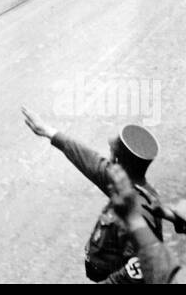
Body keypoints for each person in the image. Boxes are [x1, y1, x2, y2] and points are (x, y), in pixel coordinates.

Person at [21, 108, 162, 283]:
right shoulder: (126, 182)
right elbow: (90, 160)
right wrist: (49, 132)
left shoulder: (141, 212)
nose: (107, 160)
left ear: (118, 164)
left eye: (112, 154)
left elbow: (139, 271)